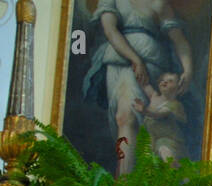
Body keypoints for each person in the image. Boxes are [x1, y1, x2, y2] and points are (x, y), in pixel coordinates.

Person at [82, 0, 194, 174]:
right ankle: (124, 182)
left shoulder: (159, 4)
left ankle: (132, 182)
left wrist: (187, 69)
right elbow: (110, 31)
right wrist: (135, 59)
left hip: (152, 63)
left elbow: (179, 40)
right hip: (120, 59)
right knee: (124, 117)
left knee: (139, 124)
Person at [133, 71, 189, 161]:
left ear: (178, 88)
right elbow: (144, 84)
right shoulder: (154, 96)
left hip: (168, 140)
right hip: (151, 138)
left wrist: (145, 111)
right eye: (162, 80)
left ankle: (175, 172)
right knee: (147, 159)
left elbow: (159, 114)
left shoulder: (174, 105)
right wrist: (138, 71)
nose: (164, 82)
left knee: (165, 151)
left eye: (170, 81)